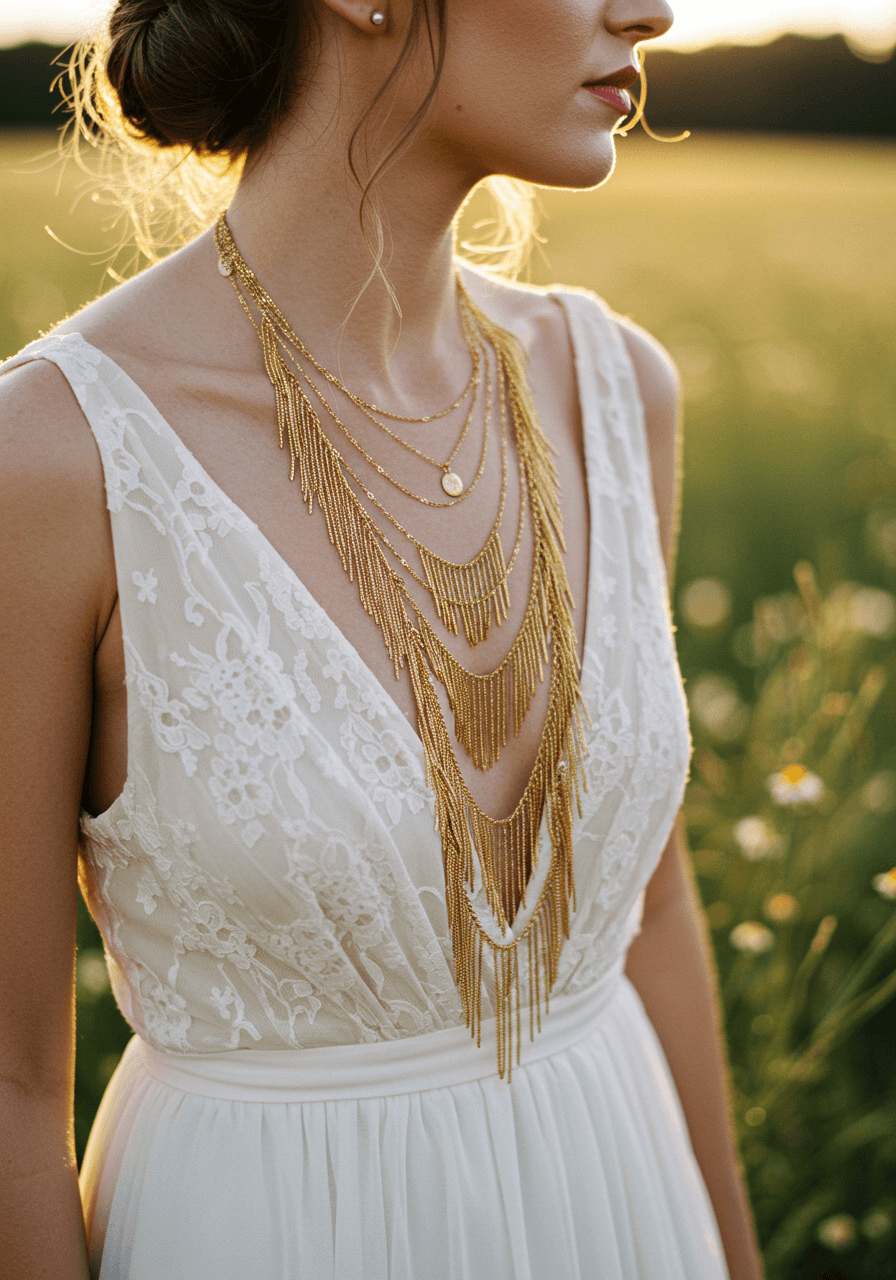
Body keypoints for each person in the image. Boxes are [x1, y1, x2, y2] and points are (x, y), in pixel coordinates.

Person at [0, 2, 765, 1277]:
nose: (653, 10)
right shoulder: (52, 463)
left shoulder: (616, 387)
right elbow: (14, 1078)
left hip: (622, 1200)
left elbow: (650, 909)